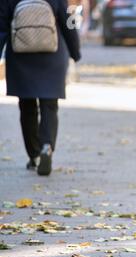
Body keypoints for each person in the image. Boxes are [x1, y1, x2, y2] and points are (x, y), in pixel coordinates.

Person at [0, 0, 81, 176]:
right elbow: (69, 23)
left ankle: (34, 155)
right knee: (50, 105)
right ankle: (47, 146)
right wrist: (75, 52)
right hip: (52, 55)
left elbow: (2, 26)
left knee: (27, 106)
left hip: (21, 57)